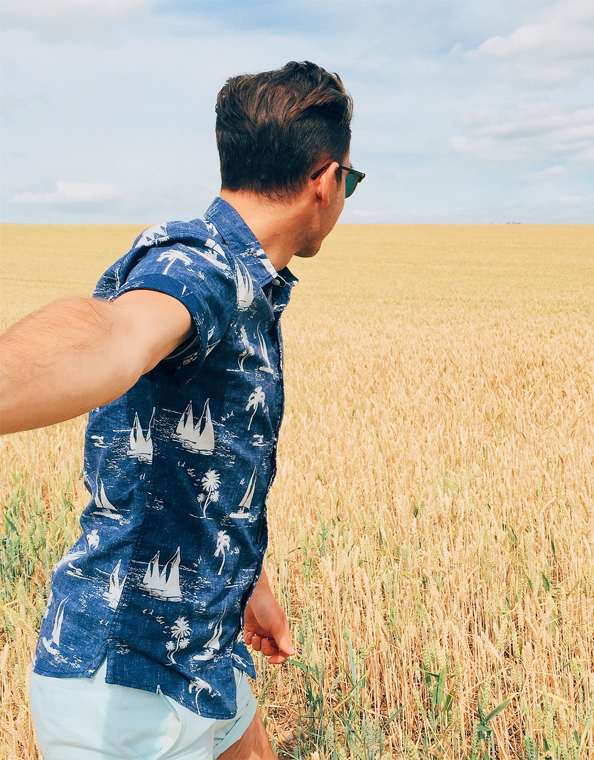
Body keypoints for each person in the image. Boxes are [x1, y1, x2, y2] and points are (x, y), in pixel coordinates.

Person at [0, 60, 364, 760]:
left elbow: (205, 461)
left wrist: (250, 583)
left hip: (206, 660)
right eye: (351, 179)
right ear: (325, 180)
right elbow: (115, 335)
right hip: (124, 689)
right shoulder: (197, 264)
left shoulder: (251, 283)